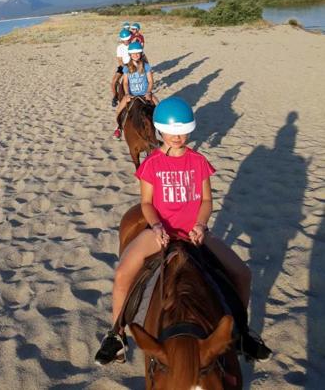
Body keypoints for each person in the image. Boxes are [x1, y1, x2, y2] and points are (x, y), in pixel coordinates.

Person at [96, 96, 271, 365]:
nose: (177, 137)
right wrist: (155, 226)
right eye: (171, 132)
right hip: (162, 231)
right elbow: (145, 203)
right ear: (160, 131)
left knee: (242, 273)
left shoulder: (198, 161)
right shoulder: (151, 164)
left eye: (182, 132)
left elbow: (207, 201)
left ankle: (243, 334)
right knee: (122, 274)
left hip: (193, 232)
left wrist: (200, 224)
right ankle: (116, 335)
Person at [112, 42, 157, 140]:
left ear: (141, 54)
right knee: (119, 110)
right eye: (133, 54)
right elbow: (125, 83)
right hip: (132, 94)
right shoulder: (127, 68)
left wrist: (149, 92)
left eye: (138, 53)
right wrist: (127, 94)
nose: (136, 55)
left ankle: (162, 130)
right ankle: (119, 127)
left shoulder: (146, 66)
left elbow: (150, 81)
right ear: (130, 55)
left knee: (159, 107)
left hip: (145, 93)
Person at [111, 29, 132, 108]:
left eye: (127, 39)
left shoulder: (133, 45)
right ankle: (115, 96)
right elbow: (119, 60)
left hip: (132, 65)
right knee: (113, 82)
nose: (125, 41)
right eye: (124, 40)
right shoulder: (119, 47)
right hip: (123, 65)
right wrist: (124, 67)